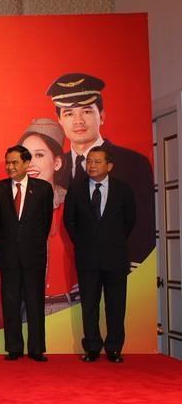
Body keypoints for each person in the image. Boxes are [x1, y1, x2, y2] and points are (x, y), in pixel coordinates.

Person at [47, 73, 154, 266]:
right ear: (60, 120)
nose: (78, 121)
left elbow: (142, 225)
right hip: (66, 273)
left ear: (102, 116)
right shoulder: (53, 166)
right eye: (69, 114)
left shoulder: (133, 163)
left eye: (86, 111)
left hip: (117, 268)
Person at [63, 146, 136, 363]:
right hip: (87, 257)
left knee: (116, 304)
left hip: (115, 256)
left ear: (109, 166)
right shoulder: (76, 190)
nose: (91, 165)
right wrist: (86, 243)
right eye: (89, 162)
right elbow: (70, 222)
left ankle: (114, 347)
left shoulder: (123, 189)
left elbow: (129, 221)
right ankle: (93, 346)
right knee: (89, 304)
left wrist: (110, 241)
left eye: (97, 162)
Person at [0, 145, 54, 362]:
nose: (10, 166)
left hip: (33, 255)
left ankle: (37, 349)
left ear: (27, 164)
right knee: (10, 302)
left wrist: (32, 243)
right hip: (8, 256)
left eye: (14, 162)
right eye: (7, 162)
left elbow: (45, 223)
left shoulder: (43, 189)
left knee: (35, 302)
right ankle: (14, 348)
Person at [18, 119, 78, 304]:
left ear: (57, 162)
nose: (30, 164)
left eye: (39, 155)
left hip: (67, 307)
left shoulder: (72, 202)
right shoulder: (12, 205)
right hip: (25, 306)